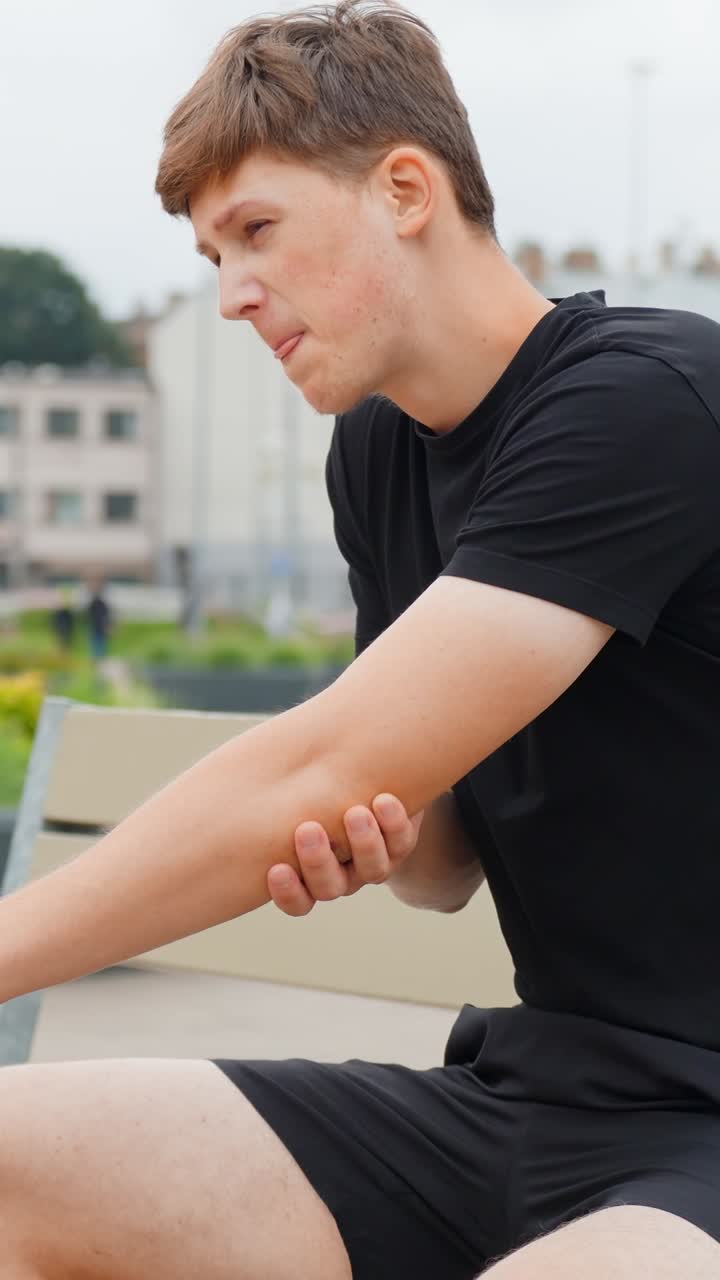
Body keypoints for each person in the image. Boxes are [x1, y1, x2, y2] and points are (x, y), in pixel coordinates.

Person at [0, 3, 718, 1277]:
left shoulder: (647, 399)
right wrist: (387, 827)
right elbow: (437, 866)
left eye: (256, 232)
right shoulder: (379, 446)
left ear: (404, 188)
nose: (230, 295)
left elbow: (314, 761)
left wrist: (332, 787)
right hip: (532, 1102)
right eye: (211, 255)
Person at [86, 581, 112, 661]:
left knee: (98, 644)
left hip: (98, 628)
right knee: (98, 644)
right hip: (98, 628)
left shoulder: (97, 604)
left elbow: (105, 616)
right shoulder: (97, 604)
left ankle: (99, 658)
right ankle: (99, 658)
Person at [50, 587, 75, 651]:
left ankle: (64, 651)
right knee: (62, 641)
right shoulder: (60, 612)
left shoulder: (66, 611)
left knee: (65, 641)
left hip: (65, 628)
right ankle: (63, 650)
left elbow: (70, 621)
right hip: (62, 628)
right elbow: (55, 621)